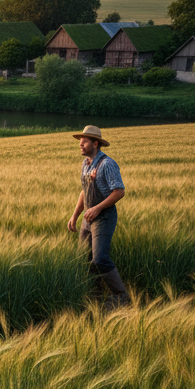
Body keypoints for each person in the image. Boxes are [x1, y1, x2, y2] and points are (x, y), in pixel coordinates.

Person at [66, 125, 129, 306]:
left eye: (84, 141)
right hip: (88, 217)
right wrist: (75, 215)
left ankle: (121, 296)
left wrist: (98, 208)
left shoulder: (107, 164)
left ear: (95, 143)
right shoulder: (85, 164)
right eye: (80, 141)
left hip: (104, 217)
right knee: (84, 259)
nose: (81, 144)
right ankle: (96, 295)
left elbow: (119, 191)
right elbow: (84, 191)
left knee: (100, 258)